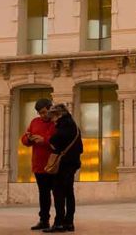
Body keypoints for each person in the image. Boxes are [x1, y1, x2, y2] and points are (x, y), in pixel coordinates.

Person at [44, 104, 83, 233]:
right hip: (73, 164)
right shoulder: (74, 127)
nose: (53, 120)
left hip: (63, 165)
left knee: (58, 193)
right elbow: (80, 148)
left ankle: (59, 223)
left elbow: (53, 141)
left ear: (59, 115)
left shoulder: (63, 126)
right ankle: (69, 223)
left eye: (54, 116)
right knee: (69, 193)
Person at [20, 98, 56, 230]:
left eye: (44, 112)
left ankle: (59, 221)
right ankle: (44, 220)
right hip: (39, 165)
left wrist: (44, 140)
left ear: (50, 108)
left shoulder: (56, 122)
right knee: (43, 194)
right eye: (40, 113)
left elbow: (58, 141)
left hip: (53, 165)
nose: (43, 115)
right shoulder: (35, 122)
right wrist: (28, 138)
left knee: (57, 194)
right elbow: (24, 139)